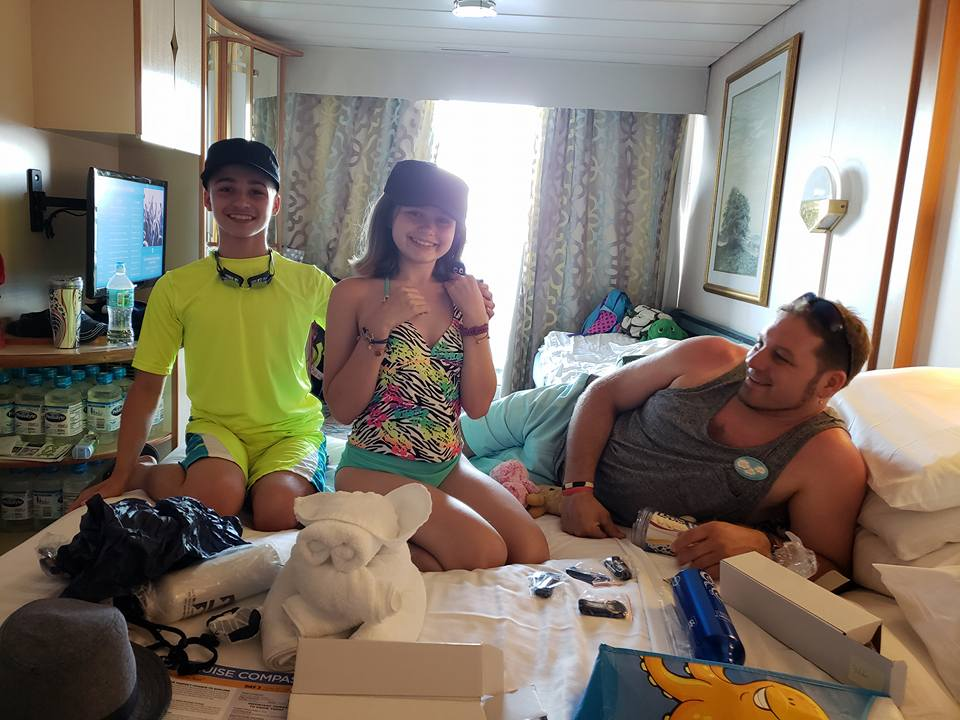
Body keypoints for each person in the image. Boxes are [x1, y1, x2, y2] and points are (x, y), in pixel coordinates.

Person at [462, 293, 872, 578]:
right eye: (761, 342)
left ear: (830, 383)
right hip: (555, 415)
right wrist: (578, 490)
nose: (756, 361)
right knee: (431, 445)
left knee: (438, 500)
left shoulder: (826, 459)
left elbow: (831, 569)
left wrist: (766, 548)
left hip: (541, 483)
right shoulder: (712, 357)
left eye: (780, 358)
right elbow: (602, 393)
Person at [73, 139, 335, 531]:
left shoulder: (310, 282)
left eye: (256, 191)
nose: (241, 201)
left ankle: (258, 484)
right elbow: (147, 386)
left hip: (291, 430)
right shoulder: (177, 287)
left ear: (276, 203)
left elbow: (361, 331)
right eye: (226, 188)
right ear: (208, 198)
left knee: (279, 511)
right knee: (216, 502)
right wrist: (122, 474)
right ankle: (146, 472)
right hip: (218, 428)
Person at [323, 160, 549, 572]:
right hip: (374, 467)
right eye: (415, 214)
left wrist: (476, 321)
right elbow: (341, 410)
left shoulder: (466, 295)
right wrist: (379, 329)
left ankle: (386, 536)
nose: (429, 229)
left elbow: (478, 407)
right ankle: (355, 542)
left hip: (446, 464)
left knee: (532, 550)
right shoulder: (352, 294)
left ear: (456, 230)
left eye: (443, 220)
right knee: (484, 553)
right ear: (390, 217)